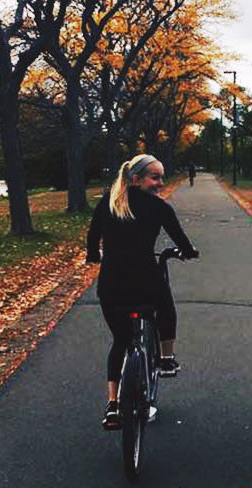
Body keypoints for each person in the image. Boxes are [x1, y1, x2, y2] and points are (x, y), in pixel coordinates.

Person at [86, 154, 199, 428]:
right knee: (166, 306)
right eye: (155, 177)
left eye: (161, 178)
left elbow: (92, 236)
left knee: (120, 341)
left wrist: (94, 256)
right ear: (136, 179)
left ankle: (113, 405)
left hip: (111, 285)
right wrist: (188, 252)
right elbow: (181, 240)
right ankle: (167, 358)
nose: (160, 183)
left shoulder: (109, 203)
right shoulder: (159, 207)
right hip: (146, 282)